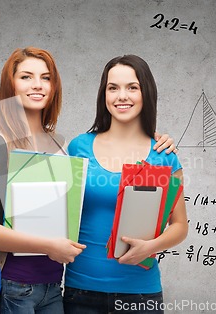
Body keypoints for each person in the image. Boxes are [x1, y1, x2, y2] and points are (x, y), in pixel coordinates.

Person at [0, 47, 177, 314]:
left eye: (46, 78)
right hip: (13, 286)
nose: (37, 85)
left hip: (54, 289)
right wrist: (48, 246)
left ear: (54, 86)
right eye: (26, 77)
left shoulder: (62, 146)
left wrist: (148, 138)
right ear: (10, 85)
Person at [63, 55, 188, 314]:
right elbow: (62, 214)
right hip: (80, 291)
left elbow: (180, 226)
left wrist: (151, 246)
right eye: (113, 88)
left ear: (146, 93)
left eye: (132, 87)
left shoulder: (164, 155)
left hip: (140, 293)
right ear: (103, 95)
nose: (122, 96)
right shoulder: (78, 147)